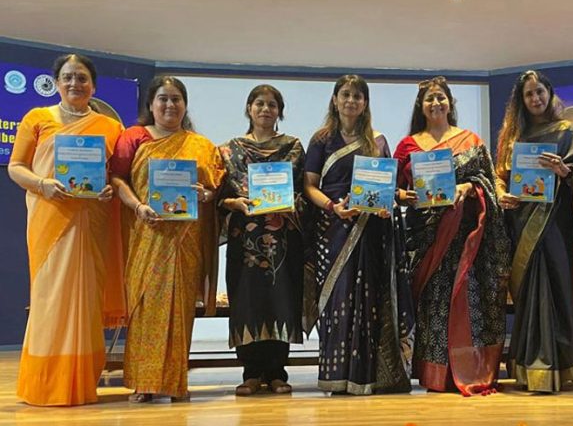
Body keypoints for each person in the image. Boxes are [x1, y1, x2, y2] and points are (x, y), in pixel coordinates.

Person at [8, 53, 126, 406]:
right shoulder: (37, 118)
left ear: (93, 85)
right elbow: (16, 167)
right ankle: (45, 384)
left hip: (92, 222)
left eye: (82, 78)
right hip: (49, 219)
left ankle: (81, 382)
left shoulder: (109, 127)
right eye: (68, 77)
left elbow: (115, 176)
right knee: (49, 300)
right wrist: (42, 184)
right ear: (56, 83)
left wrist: (108, 188)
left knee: (85, 301)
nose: (75, 84)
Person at [393, 76, 510, 396]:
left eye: (441, 98)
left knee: (464, 299)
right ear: (421, 106)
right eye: (429, 99)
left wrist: (468, 187)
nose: (436, 103)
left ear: (450, 103)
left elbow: (488, 183)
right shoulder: (407, 145)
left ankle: (471, 368)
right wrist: (405, 197)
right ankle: (434, 375)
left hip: (465, 235)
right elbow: (392, 189)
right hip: (425, 233)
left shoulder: (469, 140)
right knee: (432, 301)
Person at [110, 76, 224, 402]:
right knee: (145, 306)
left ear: (185, 105)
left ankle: (176, 383)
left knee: (180, 309)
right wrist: (139, 206)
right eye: (163, 99)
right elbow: (117, 178)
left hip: (186, 239)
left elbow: (215, 186)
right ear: (151, 104)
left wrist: (206, 194)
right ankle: (144, 384)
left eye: (176, 99)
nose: (170, 105)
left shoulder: (201, 144)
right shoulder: (135, 138)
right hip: (148, 233)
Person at [495, 70, 573, 393]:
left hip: (555, 222)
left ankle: (555, 365)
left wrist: (564, 170)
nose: (535, 99)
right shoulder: (514, 138)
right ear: (521, 100)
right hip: (521, 222)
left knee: (555, 289)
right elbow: (500, 175)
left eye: (539, 92)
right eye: (529, 94)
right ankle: (527, 367)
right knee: (528, 294)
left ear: (549, 94)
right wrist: (502, 192)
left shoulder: (567, 132)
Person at [303, 74, 413, 395]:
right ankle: (336, 375)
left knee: (369, 299)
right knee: (338, 299)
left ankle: (367, 375)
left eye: (358, 96)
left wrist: (386, 205)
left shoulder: (377, 141)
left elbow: (387, 187)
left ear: (365, 103)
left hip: (371, 230)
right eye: (346, 94)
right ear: (335, 100)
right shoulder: (321, 140)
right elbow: (309, 185)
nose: (351, 101)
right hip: (333, 228)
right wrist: (332, 208)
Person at [218, 85, 305, 396]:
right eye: (259, 103)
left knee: (281, 299)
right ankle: (251, 373)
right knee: (248, 301)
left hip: (282, 238)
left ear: (279, 111)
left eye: (272, 104)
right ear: (249, 108)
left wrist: (289, 202)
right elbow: (221, 196)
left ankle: (278, 371)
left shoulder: (293, 147)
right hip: (245, 242)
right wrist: (233, 204)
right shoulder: (229, 150)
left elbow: (299, 192)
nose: (265, 109)